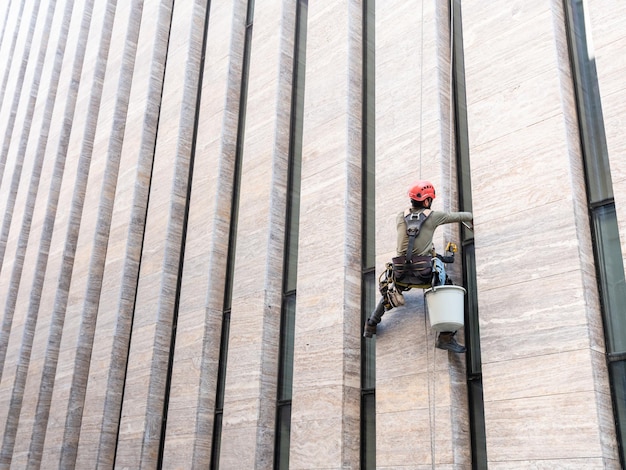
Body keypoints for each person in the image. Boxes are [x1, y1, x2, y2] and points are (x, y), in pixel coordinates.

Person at [363, 180, 473, 353]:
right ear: (427, 201)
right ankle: (445, 337)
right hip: (423, 274)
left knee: (391, 290)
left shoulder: (400, 216)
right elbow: (462, 216)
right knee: (445, 282)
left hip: (400, 274)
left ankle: (371, 324)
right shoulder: (434, 216)